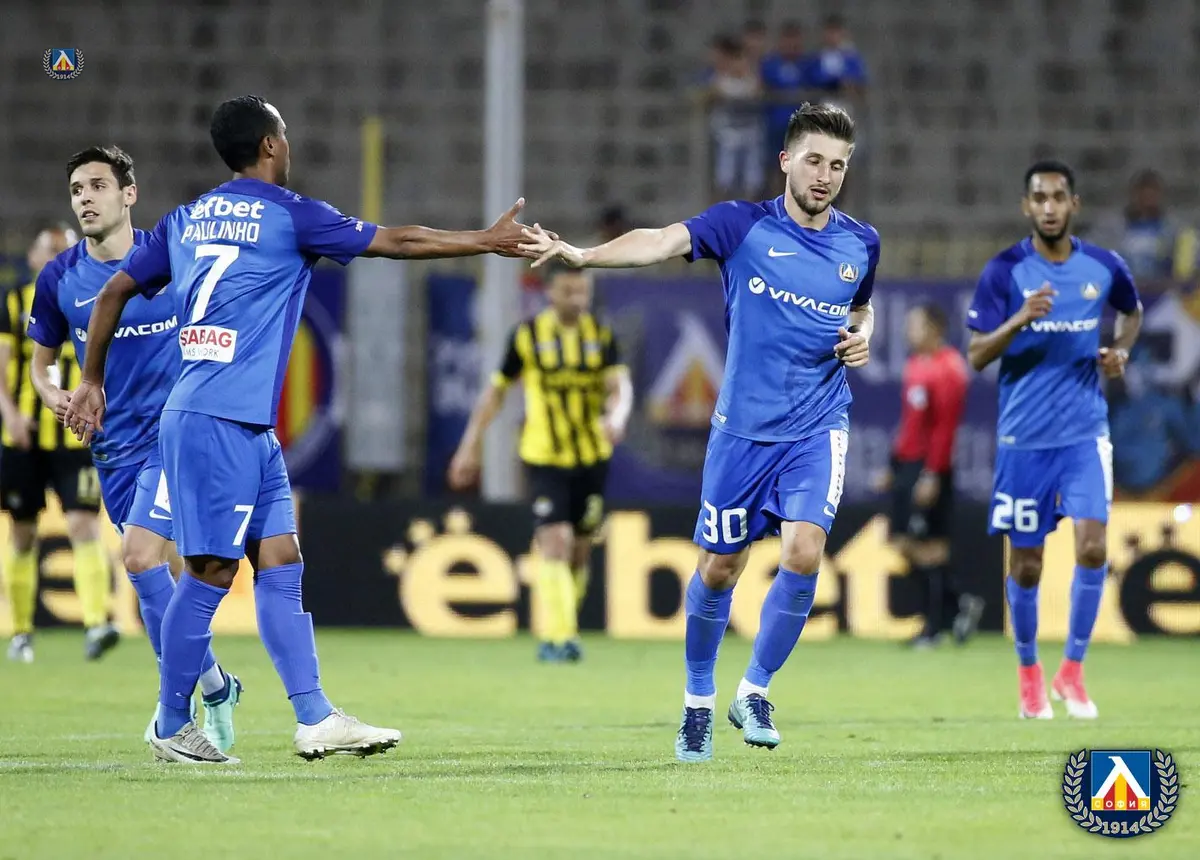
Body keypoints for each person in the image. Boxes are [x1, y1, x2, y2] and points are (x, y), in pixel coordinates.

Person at [65, 95, 537, 764]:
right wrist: (484, 240)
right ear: (269, 145)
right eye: (283, 135)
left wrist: (91, 379)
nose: (287, 146)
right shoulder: (291, 214)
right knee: (209, 571)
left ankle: (315, 718)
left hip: (240, 422)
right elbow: (395, 241)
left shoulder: (186, 218)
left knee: (281, 558)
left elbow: (114, 290)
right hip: (217, 418)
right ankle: (171, 723)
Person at [520, 102, 878, 762]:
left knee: (805, 552)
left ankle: (756, 690)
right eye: (814, 161)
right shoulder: (740, 225)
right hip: (742, 431)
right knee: (719, 569)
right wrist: (583, 255)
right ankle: (697, 702)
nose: (825, 176)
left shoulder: (861, 242)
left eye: (838, 165)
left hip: (818, 422)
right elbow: (659, 240)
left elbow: (862, 308)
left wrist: (862, 335)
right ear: (786, 161)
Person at [27, 145, 240, 750]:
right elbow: (42, 367)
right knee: (160, 575)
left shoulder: (174, 258)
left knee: (142, 558)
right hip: (112, 450)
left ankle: (174, 715)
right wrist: (55, 396)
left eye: (98, 185)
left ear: (129, 194)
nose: (85, 198)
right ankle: (215, 685)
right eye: (77, 189)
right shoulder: (59, 278)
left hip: (175, 436)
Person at [967, 160, 1142, 720]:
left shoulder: (1103, 266)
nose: (1049, 206)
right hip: (1024, 441)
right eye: (1039, 197)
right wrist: (1019, 319)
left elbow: (1132, 310)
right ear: (1026, 206)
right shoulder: (1005, 271)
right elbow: (976, 354)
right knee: (1027, 566)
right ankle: (1029, 676)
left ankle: (1073, 670)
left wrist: (1120, 351)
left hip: (1085, 435)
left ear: (1074, 204)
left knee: (1093, 548)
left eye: (1058, 197)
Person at [447, 260, 632, 663]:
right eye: (569, 291)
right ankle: (564, 638)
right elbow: (495, 392)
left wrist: (616, 418)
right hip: (544, 455)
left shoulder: (600, 335)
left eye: (582, 292)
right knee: (555, 541)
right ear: (550, 293)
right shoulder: (527, 336)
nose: (577, 299)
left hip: (592, 458)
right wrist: (469, 445)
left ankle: (556, 631)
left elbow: (620, 386)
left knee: (579, 551)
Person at [0, 223, 116, 663]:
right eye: (48, 250)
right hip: (25, 437)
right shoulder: (13, 302)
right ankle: (21, 632)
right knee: (23, 531)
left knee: (84, 524)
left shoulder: (93, 297)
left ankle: (96, 624)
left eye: (63, 250)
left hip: (76, 436)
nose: (55, 257)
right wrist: (11, 416)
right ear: (32, 257)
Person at [877, 302, 981, 648]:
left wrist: (932, 474)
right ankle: (958, 603)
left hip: (929, 467)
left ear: (935, 329)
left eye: (915, 325)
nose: (908, 331)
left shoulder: (950, 369)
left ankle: (933, 628)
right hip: (908, 465)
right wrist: (894, 467)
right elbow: (911, 423)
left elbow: (944, 429)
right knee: (904, 542)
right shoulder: (915, 365)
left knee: (929, 546)